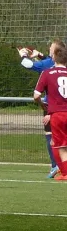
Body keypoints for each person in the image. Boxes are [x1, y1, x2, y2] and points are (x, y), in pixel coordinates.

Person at [17, 39, 66, 178]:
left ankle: (56, 165)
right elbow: (51, 62)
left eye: (51, 48)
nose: (49, 49)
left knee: (53, 139)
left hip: (54, 107)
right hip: (62, 107)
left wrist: (23, 55)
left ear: (56, 52)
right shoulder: (57, 63)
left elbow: (28, 65)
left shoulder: (49, 68)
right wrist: (41, 56)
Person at [34, 45, 67, 181]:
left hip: (58, 114)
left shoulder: (47, 73)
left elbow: (36, 95)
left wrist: (43, 106)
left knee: (59, 145)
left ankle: (65, 173)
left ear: (55, 59)